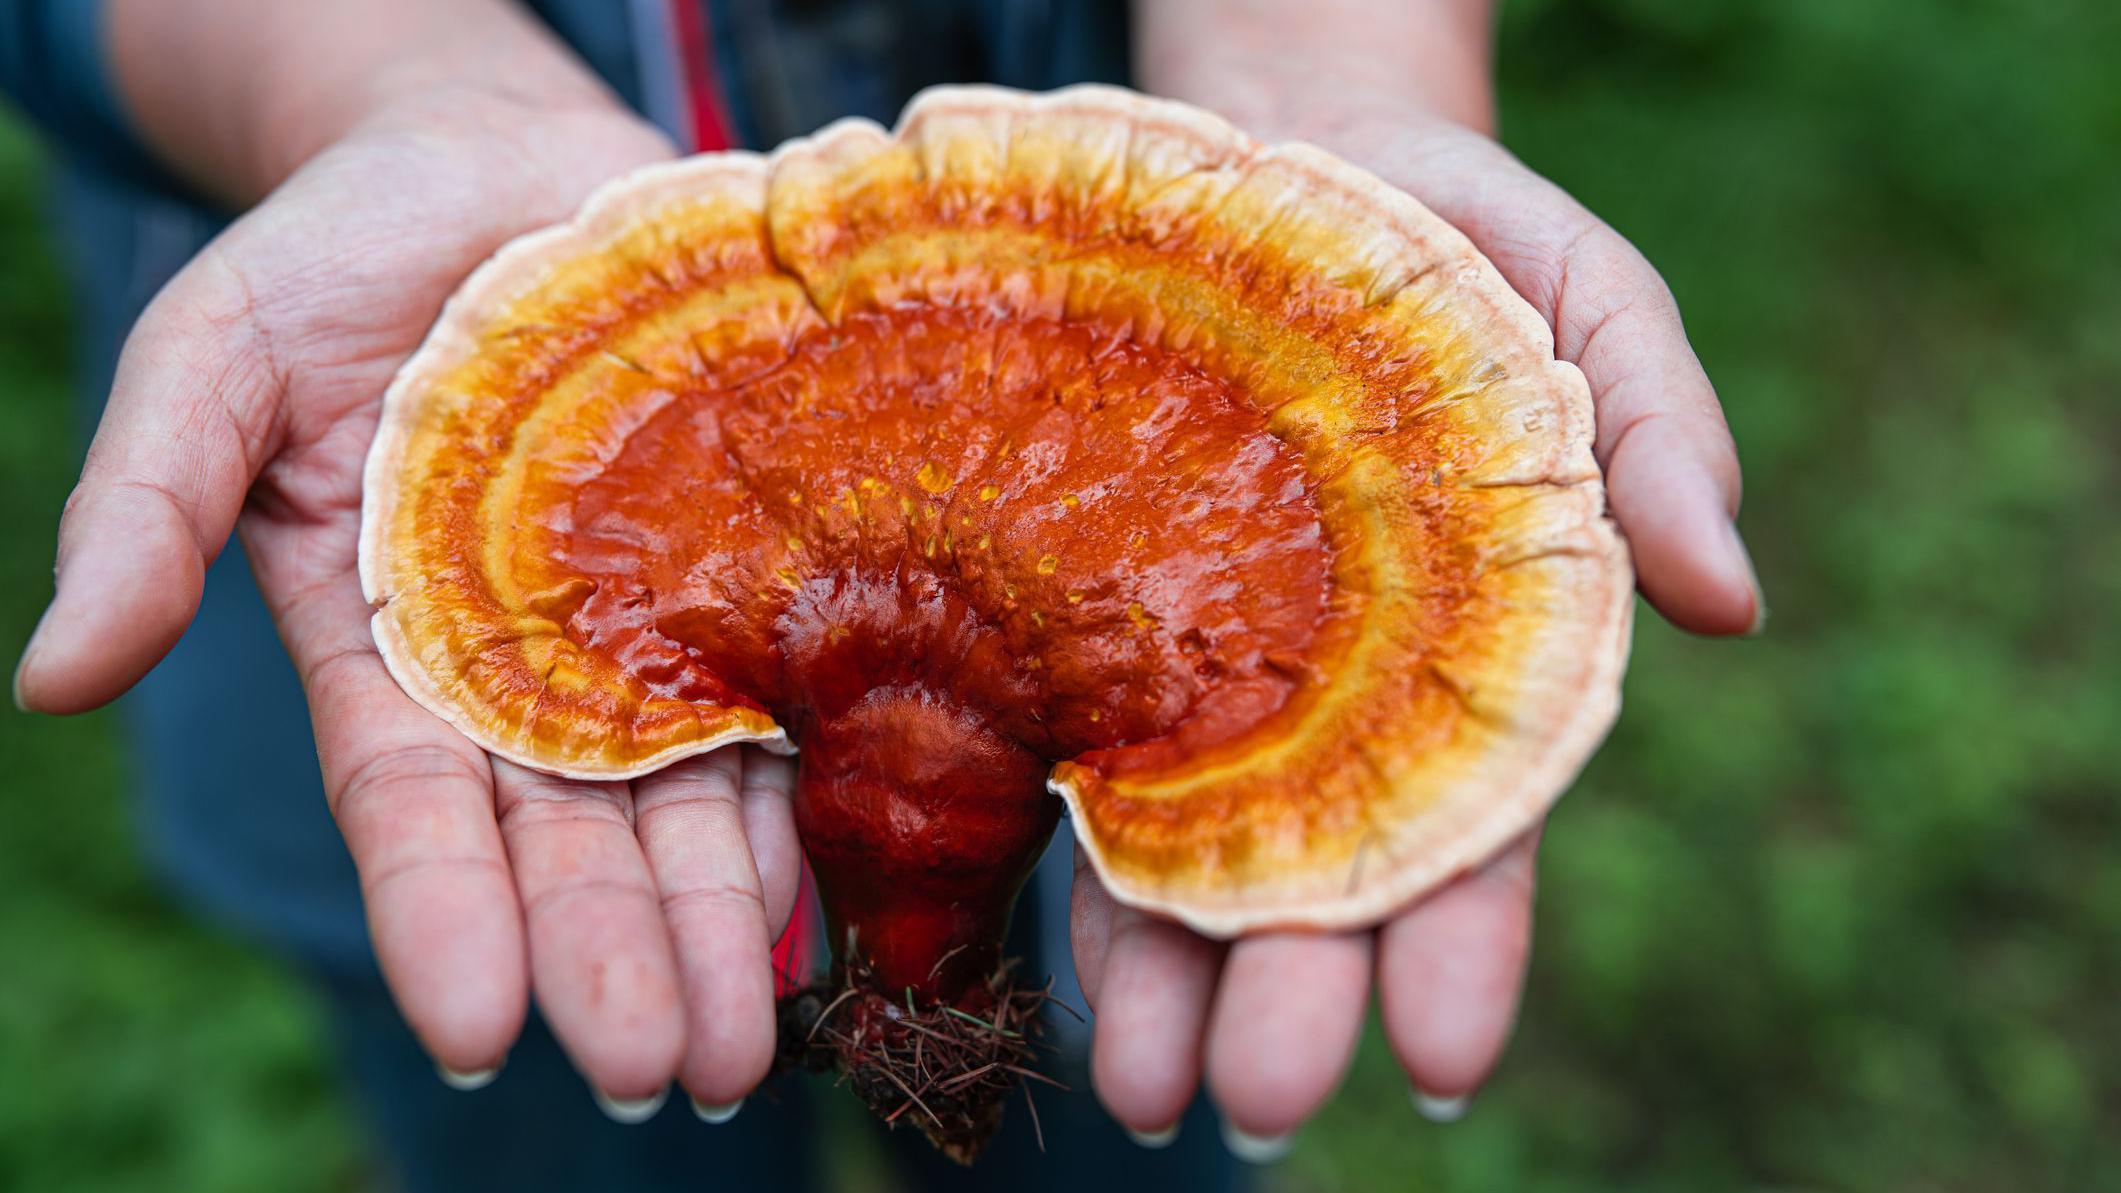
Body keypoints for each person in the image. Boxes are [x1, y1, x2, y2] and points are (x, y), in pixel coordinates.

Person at [4, 1, 1761, 1189]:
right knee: (571, 1100)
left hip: (1134, 693)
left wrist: (1306, 53)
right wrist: (358, 74)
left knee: (1122, 1085)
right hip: (428, 655)